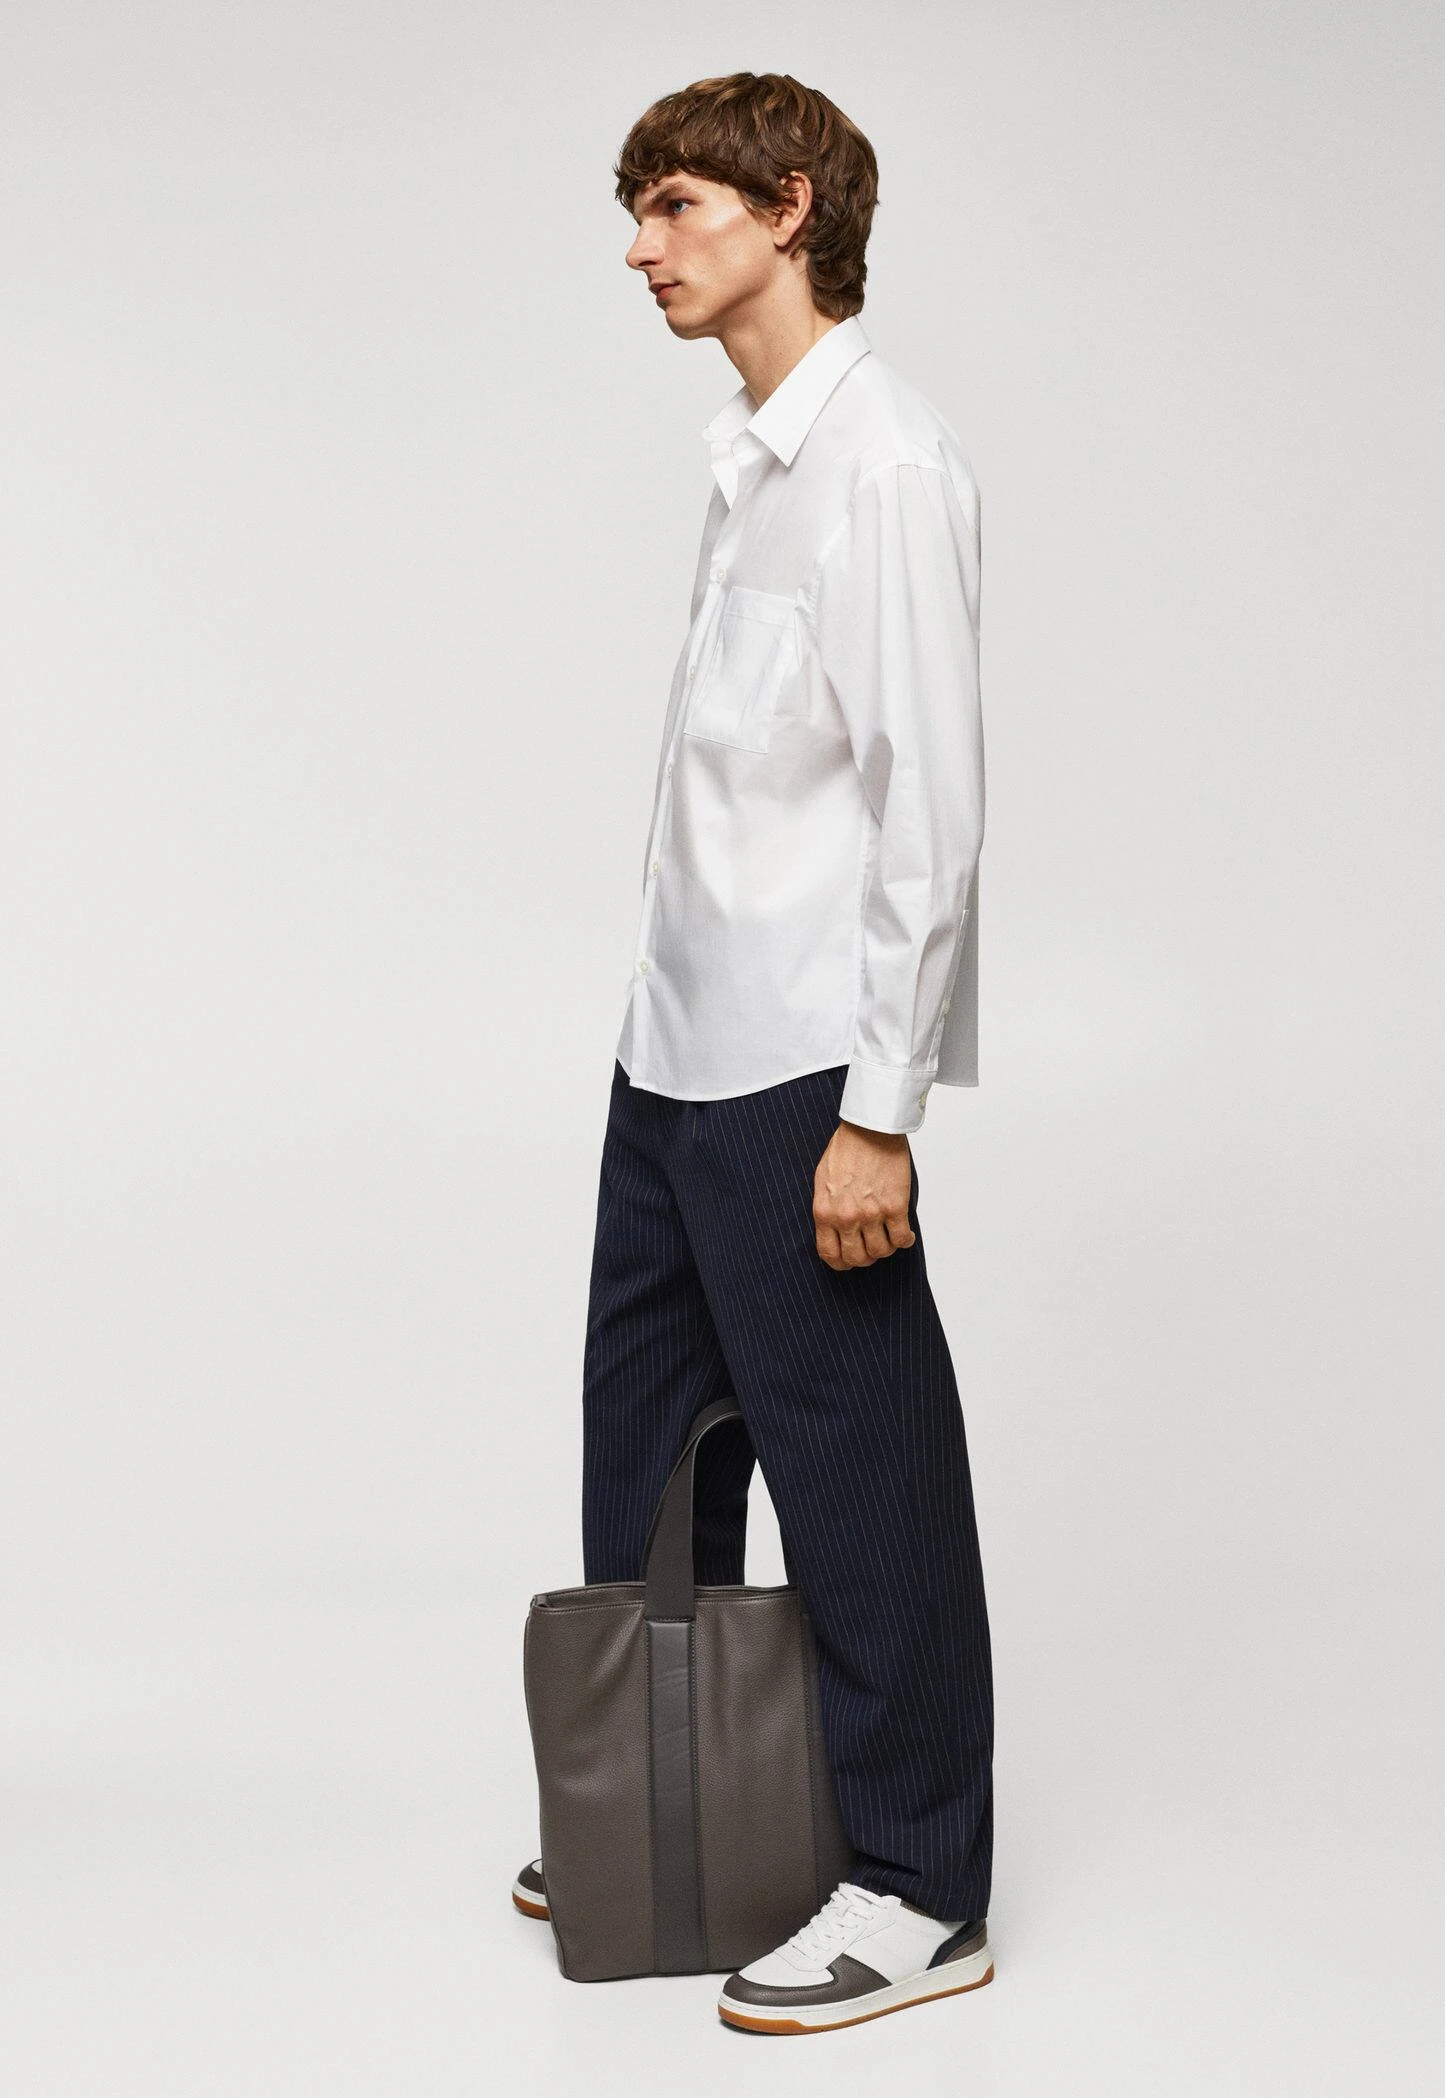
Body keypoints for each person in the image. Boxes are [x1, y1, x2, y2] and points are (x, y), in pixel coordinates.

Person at [513, 70, 995, 2034]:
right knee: (645, 1456)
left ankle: (920, 1880)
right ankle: (673, 1792)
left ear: (791, 209)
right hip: (674, 1055)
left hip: (804, 1074)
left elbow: (927, 816)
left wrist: (880, 1112)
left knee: (864, 1472)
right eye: (639, 210)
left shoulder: (884, 465)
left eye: (677, 206)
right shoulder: (752, 462)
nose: (640, 247)